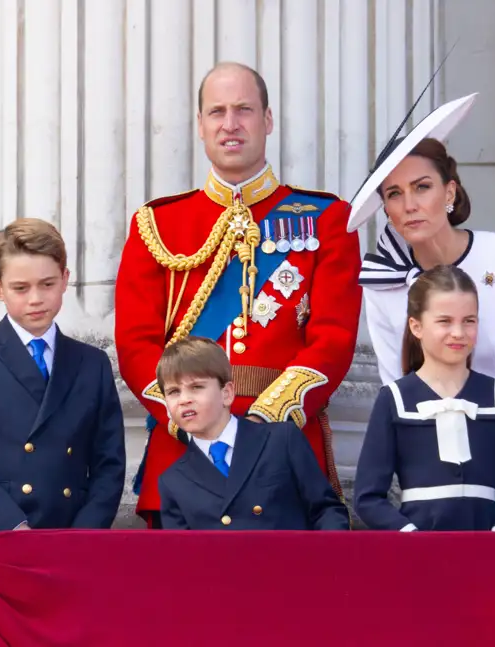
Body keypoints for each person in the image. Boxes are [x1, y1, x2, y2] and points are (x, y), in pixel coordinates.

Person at [115, 61, 362, 527]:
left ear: (267, 120)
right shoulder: (156, 225)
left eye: (244, 110)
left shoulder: (327, 219)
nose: (230, 124)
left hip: (283, 451)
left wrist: (263, 427)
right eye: (217, 112)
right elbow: (134, 345)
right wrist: (196, 418)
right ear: (201, 125)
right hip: (185, 452)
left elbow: (332, 337)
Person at [350, 124, 495, 530]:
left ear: (449, 192)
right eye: (394, 194)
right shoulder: (383, 286)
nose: (409, 205)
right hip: (444, 491)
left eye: (422, 187)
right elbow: (397, 388)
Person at [0, 218, 126, 533]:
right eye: (20, 288)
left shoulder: (92, 363)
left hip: (69, 539)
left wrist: (82, 536)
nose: (35, 299)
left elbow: (109, 464)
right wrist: (12, 526)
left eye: (47, 284)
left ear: (66, 280)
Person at [354, 265, 495, 531]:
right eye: (444, 321)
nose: (458, 333)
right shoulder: (394, 398)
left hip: (487, 555)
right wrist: (409, 536)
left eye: (469, 320)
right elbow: (368, 497)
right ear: (416, 326)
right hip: (417, 557)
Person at [157, 336, 350, 530]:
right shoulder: (173, 481)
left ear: (227, 393)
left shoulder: (281, 440)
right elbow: (182, 555)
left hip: (292, 559)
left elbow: (326, 511)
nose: (184, 400)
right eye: (173, 392)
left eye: (196, 387)